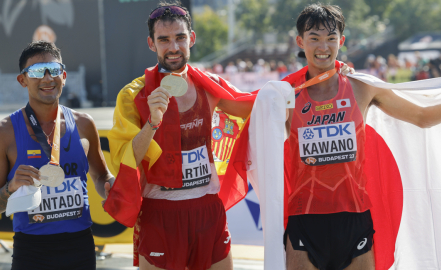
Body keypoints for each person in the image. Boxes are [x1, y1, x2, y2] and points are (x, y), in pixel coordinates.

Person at [275, 4, 441, 270]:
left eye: (330, 39)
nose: (323, 47)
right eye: (314, 38)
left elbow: (422, 117)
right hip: (304, 221)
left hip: (355, 221)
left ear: (341, 41)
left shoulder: (361, 87)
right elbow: (244, 120)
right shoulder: (284, 96)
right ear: (300, 41)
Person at [103, 2, 257, 270]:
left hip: (207, 208)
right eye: (164, 40)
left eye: (180, 38)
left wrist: (318, 79)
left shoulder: (210, 85)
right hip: (161, 211)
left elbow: (256, 106)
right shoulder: (133, 95)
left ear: (192, 39)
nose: (173, 47)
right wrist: (152, 122)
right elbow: (124, 161)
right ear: (152, 44)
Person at [0, 41, 115, 269]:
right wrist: (10, 188)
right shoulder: (2, 133)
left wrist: (115, 188)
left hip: (80, 246)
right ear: (22, 80)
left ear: (63, 76)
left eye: (53, 70)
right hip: (32, 251)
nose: (47, 78)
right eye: (36, 71)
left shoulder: (84, 124)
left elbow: (101, 176)